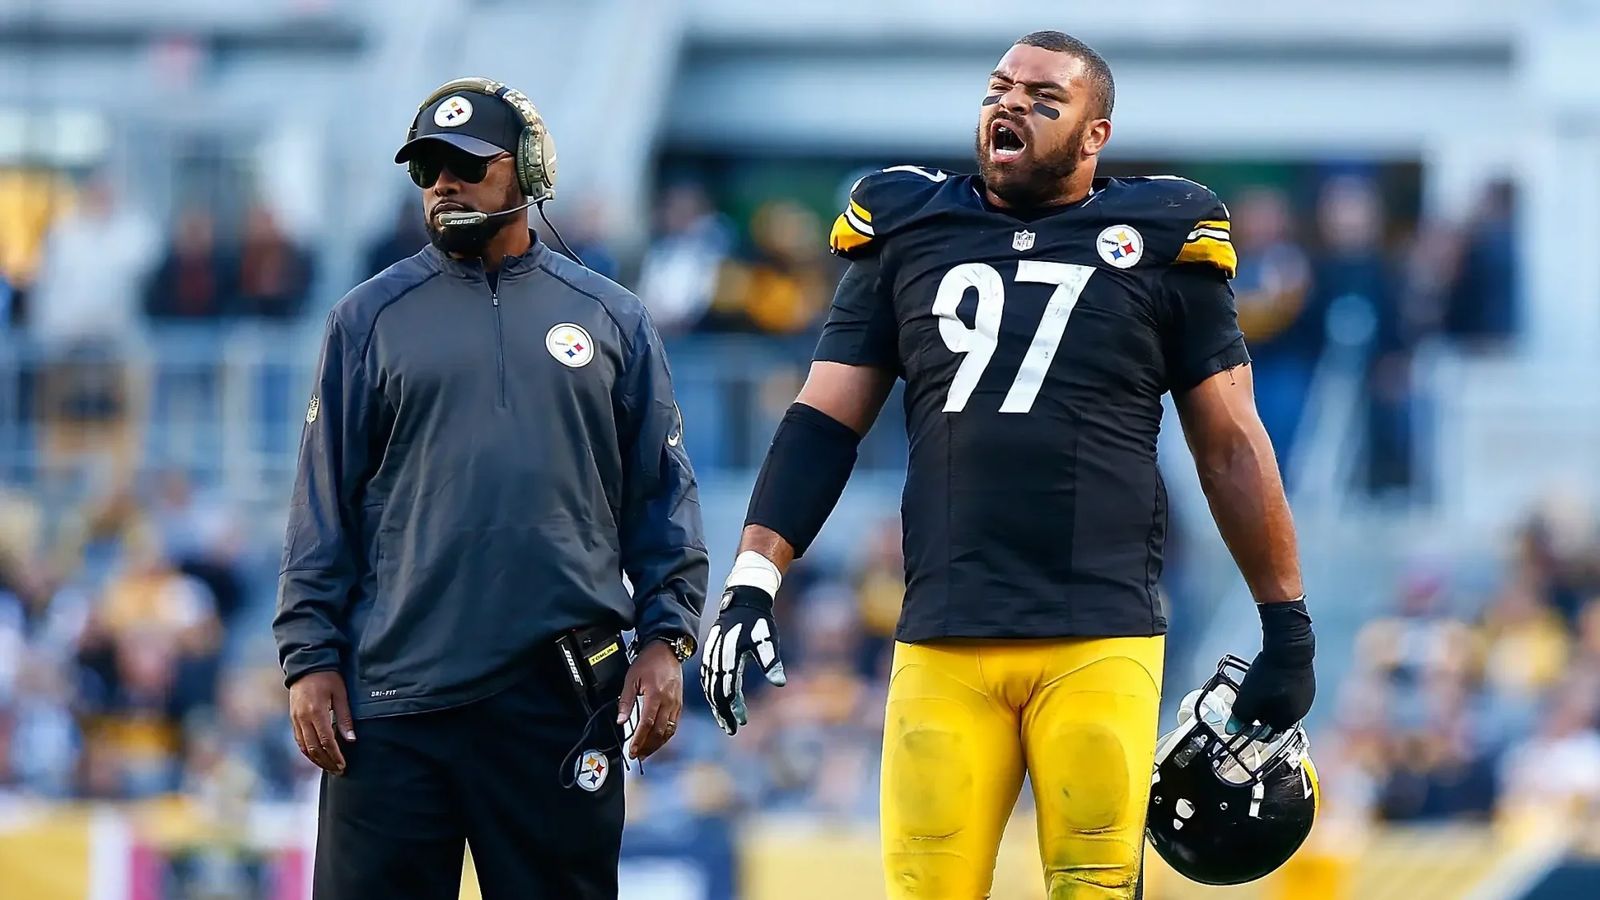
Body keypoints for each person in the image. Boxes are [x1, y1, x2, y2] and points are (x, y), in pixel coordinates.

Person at [699, 32, 1316, 898]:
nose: (1011, 104)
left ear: (1095, 136)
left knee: (1091, 888)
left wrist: (1287, 626)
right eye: (999, 87)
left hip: (1098, 631)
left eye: (1044, 97)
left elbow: (1230, 442)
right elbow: (821, 421)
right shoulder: (910, 224)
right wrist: (753, 578)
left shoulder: (1163, 234)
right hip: (945, 631)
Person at [273, 77, 707, 900]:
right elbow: (320, 505)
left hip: (558, 695)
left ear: (530, 173)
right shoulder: (368, 318)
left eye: (468, 165)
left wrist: (667, 639)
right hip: (391, 701)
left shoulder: (613, 318)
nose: (445, 182)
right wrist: (308, 658)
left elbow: (661, 500)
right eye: (429, 167)